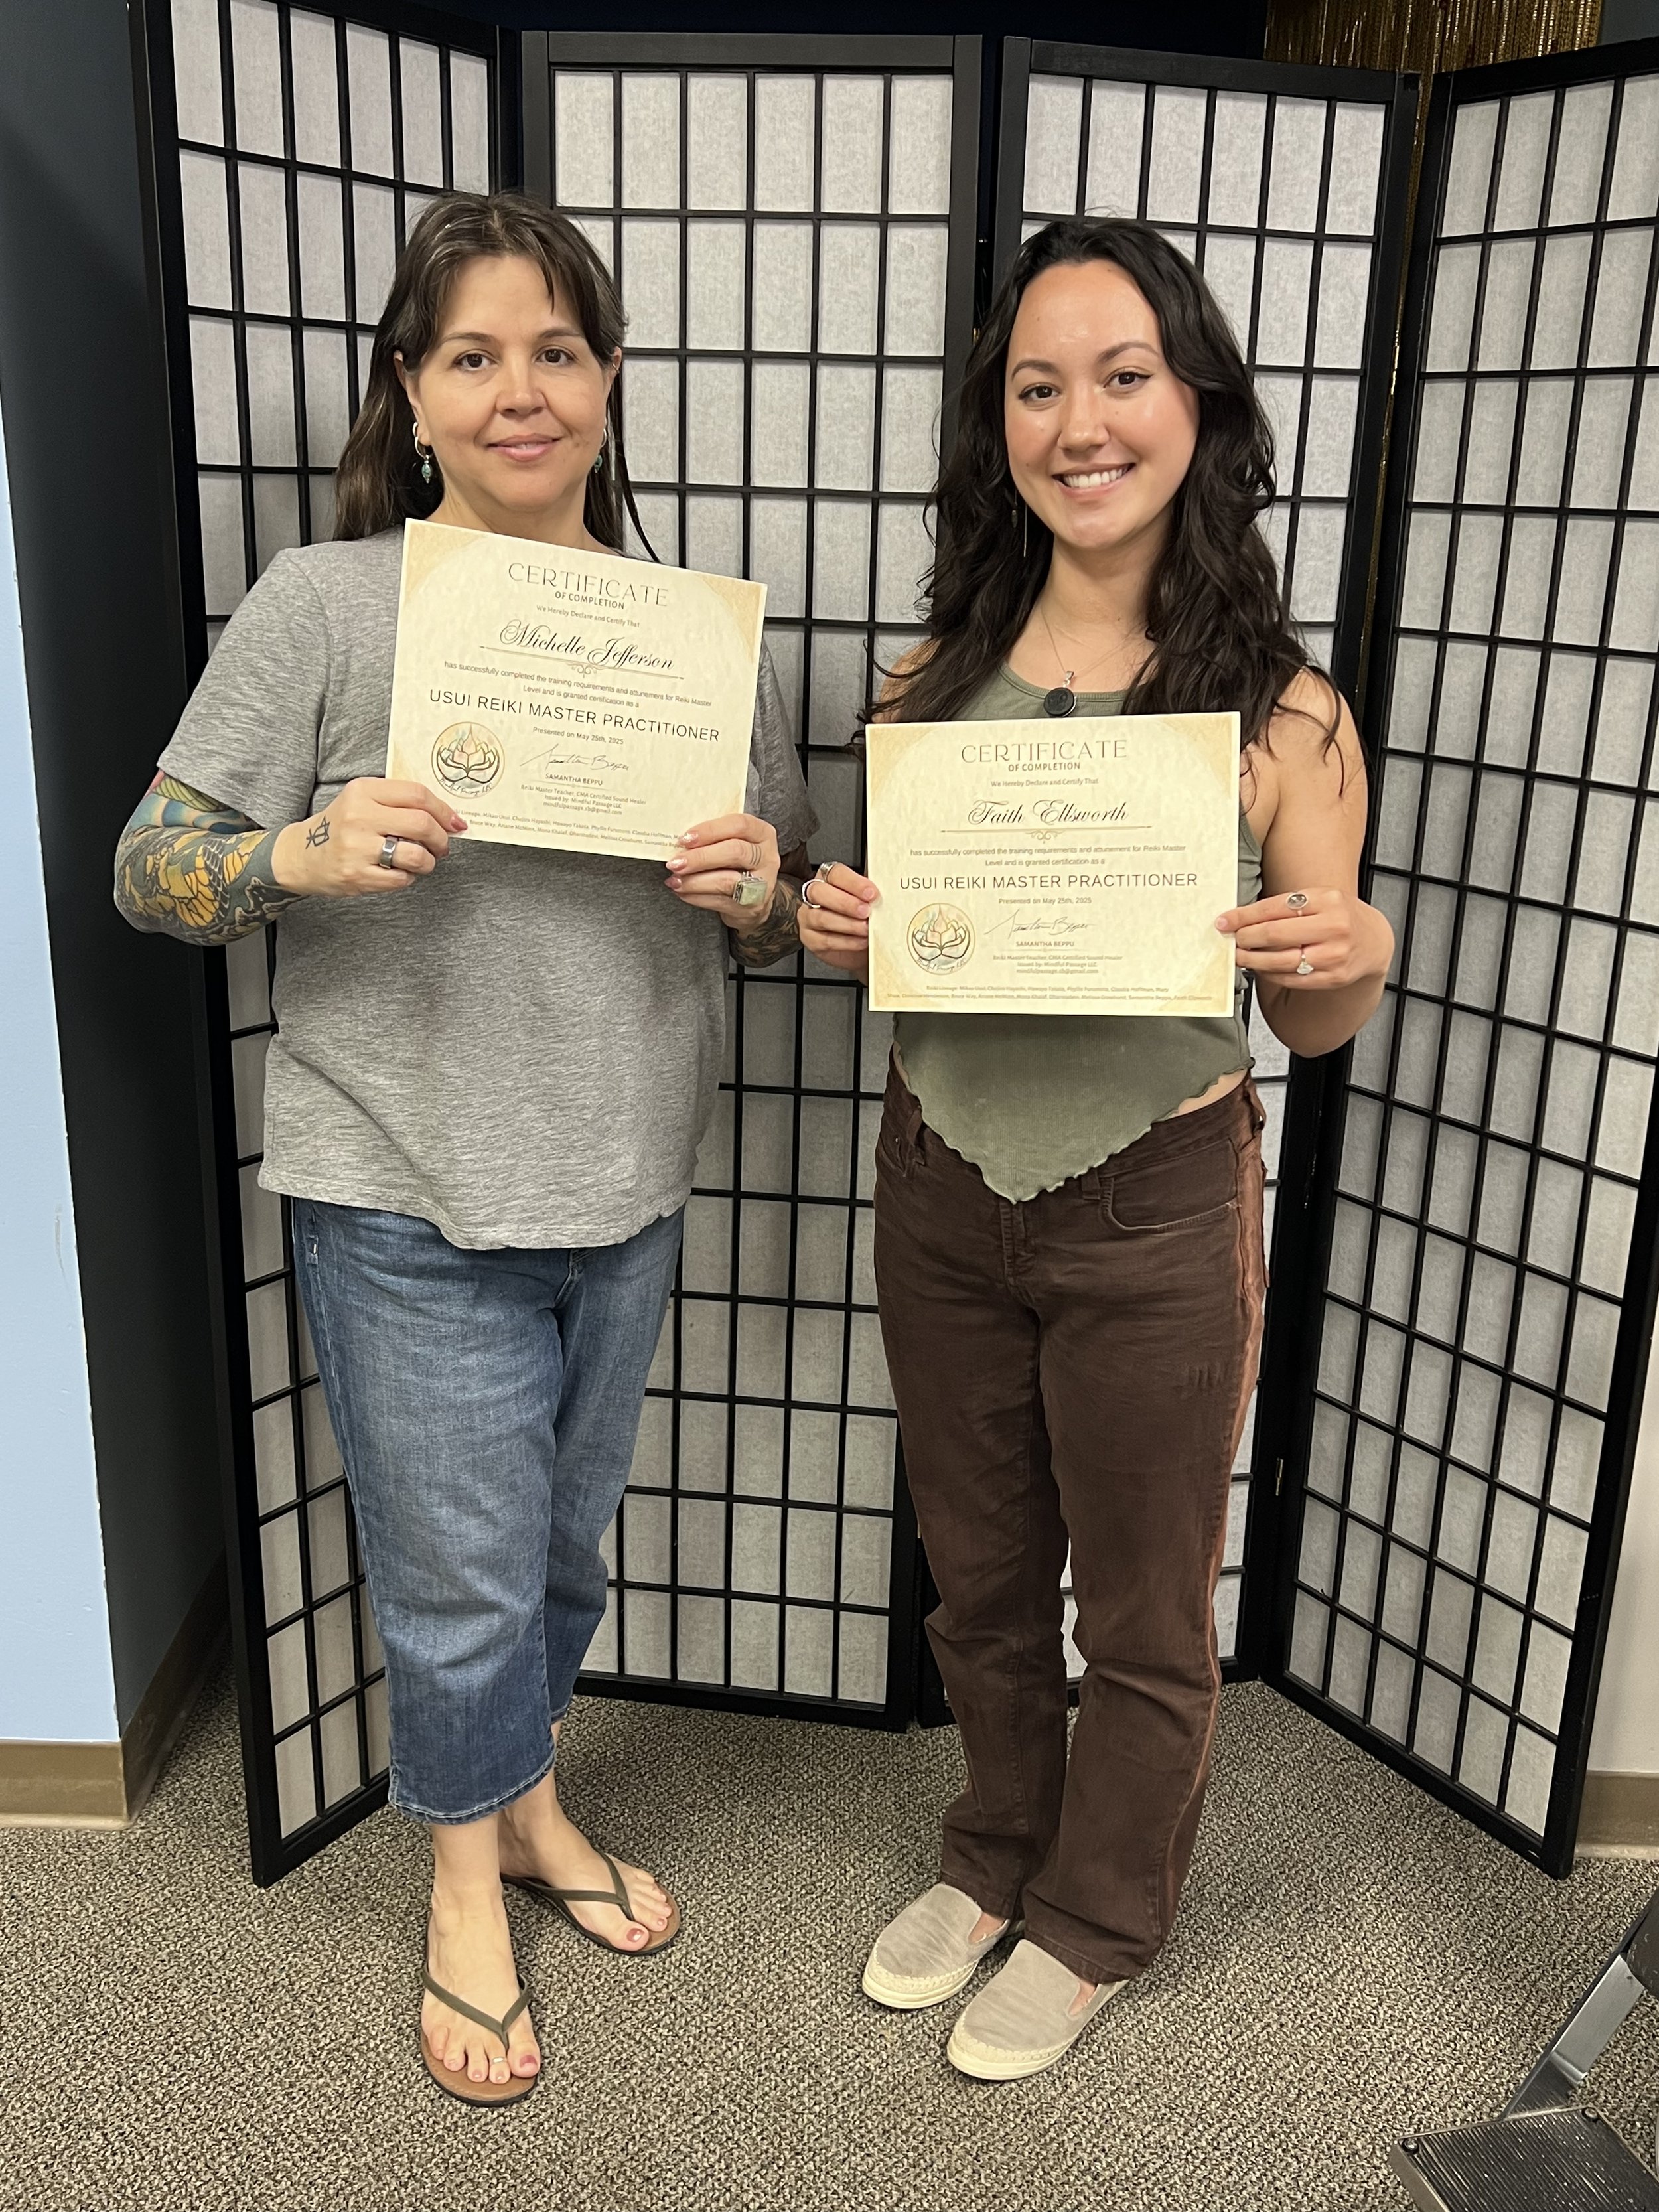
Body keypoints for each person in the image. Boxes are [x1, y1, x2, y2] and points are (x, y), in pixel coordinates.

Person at [115, 191, 814, 2106]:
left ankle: (527, 1800)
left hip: (627, 1171)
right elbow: (153, 866)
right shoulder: (326, 602)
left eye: (558, 350)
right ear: (411, 395)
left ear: (610, 380)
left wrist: (761, 888)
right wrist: (298, 851)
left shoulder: (691, 634)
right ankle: (461, 1884)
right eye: (474, 355)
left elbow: (770, 898)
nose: (522, 391)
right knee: (456, 1576)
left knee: (557, 1554)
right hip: (398, 1175)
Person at [798, 215, 1394, 2082]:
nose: (1080, 424)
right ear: (998, 424)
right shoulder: (925, 682)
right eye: (1037, 386)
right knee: (976, 1575)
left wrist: (1348, 955)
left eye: (1122, 376)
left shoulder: (1284, 711)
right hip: (941, 1175)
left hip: (1156, 1197)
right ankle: (993, 1851)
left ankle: (1098, 1916)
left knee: (1139, 1603)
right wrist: (844, 926)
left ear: (1196, 402)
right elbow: (920, 948)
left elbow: (1314, 1022)